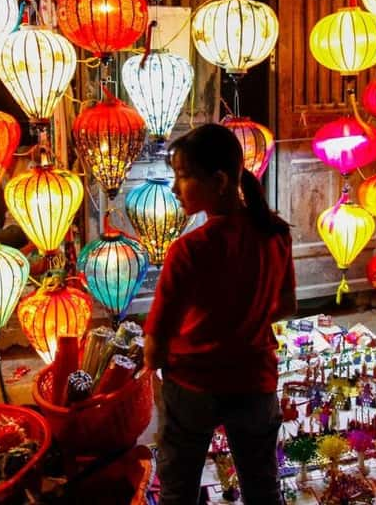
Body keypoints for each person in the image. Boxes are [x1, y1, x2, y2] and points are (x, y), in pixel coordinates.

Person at [144, 123, 296, 505]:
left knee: (178, 490)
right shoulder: (275, 232)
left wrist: (156, 375)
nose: (176, 189)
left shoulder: (189, 250)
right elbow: (286, 306)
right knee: (263, 486)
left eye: (183, 176)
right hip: (255, 381)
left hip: (193, 387)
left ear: (219, 181)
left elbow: (155, 344)